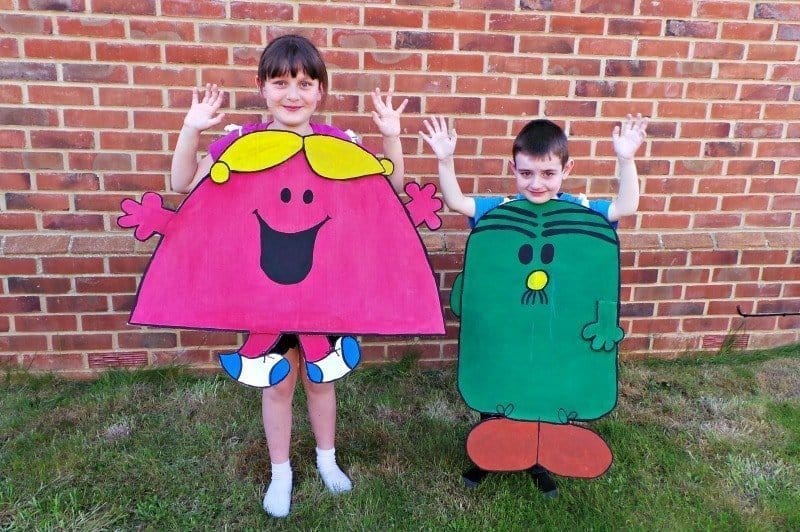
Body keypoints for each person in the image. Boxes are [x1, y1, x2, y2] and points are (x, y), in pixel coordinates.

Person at [170, 34, 408, 518]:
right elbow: (181, 186)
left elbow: (393, 190)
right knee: (278, 383)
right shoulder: (242, 144)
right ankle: (281, 472)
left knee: (321, 380)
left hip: (325, 289)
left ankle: (327, 459)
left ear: (320, 91)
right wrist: (191, 130)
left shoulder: (339, 145)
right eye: (280, 82)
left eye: (304, 83)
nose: (292, 94)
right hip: (266, 291)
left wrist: (390, 137)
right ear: (262, 87)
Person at [421, 114, 647, 494]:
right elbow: (458, 202)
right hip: (511, 324)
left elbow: (625, 207)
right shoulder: (502, 207)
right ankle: (489, 454)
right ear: (513, 168)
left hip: (555, 326)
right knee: (505, 384)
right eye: (526, 173)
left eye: (547, 174)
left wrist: (626, 159)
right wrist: (445, 160)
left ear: (566, 169)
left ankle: (539, 462)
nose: (536, 183)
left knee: (545, 384)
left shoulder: (580, 209)